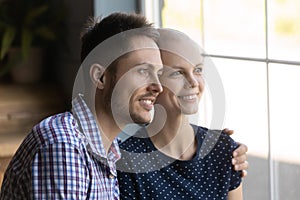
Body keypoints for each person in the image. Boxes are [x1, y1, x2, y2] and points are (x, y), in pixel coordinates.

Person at [0, 13, 247, 199]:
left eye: (159, 73)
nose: (157, 86)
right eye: (142, 71)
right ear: (101, 77)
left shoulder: (109, 151)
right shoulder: (65, 148)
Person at [117, 28, 243, 199]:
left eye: (197, 70)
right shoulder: (127, 160)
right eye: (177, 73)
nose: (193, 82)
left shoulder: (224, 149)